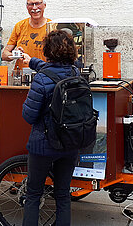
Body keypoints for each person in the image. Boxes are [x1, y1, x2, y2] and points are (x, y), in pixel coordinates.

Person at [21, 30, 79, 226]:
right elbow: (51, 69)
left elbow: (29, 116)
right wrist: (31, 61)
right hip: (70, 143)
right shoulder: (75, 73)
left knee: (34, 194)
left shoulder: (41, 79)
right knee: (63, 195)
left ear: (48, 50)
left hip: (43, 145)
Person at [1, 0, 51, 69]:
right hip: (22, 76)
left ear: (44, 5)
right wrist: (16, 54)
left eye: (37, 3)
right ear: (27, 6)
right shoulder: (20, 26)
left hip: (44, 75)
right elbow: (4, 55)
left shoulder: (51, 27)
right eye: (31, 4)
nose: (34, 8)